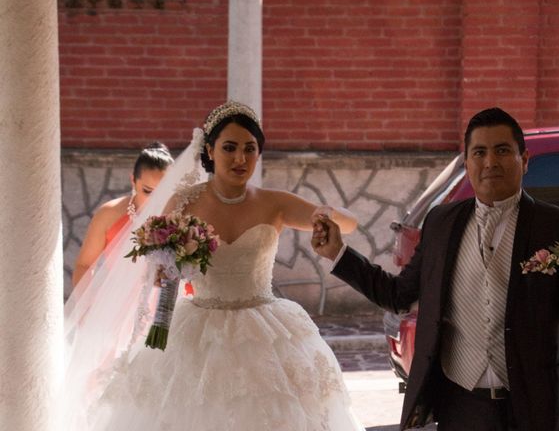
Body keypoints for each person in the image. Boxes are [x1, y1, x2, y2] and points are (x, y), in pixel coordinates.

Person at [63, 101, 365, 431]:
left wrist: (324, 217)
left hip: (266, 328)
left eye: (250, 149)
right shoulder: (184, 201)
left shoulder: (273, 202)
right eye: (230, 148)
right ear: (210, 149)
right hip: (198, 328)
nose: (240, 159)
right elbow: (156, 271)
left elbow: (349, 224)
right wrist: (164, 273)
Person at [311, 108, 559, 431]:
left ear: (524, 159)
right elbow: (399, 295)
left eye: (502, 151)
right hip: (461, 407)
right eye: (479, 152)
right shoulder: (442, 222)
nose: (490, 162)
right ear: (467, 162)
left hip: (535, 408)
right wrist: (339, 254)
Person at [72, 142, 174, 287]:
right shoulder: (109, 213)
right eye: (147, 191)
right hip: (116, 303)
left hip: (165, 303)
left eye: (163, 190)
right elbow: (84, 265)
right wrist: (87, 306)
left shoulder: (180, 216)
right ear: (133, 180)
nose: (155, 199)